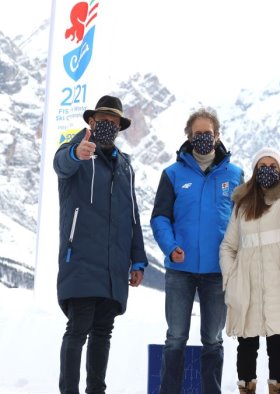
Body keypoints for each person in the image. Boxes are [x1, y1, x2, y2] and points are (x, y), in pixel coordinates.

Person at [53, 95, 148, 394]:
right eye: (102, 121)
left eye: (113, 122)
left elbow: (133, 215)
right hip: (80, 258)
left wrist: (138, 259)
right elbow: (61, 165)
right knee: (78, 328)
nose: (108, 126)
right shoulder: (75, 150)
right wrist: (75, 155)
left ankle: (97, 390)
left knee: (103, 333)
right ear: (91, 122)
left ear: (119, 127)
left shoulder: (125, 167)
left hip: (114, 264)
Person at [151, 108, 244, 394]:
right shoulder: (173, 174)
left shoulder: (235, 174)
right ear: (189, 138)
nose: (203, 138)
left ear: (217, 136)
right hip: (180, 270)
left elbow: (244, 220)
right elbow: (160, 217)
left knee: (213, 339)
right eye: (197, 134)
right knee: (175, 337)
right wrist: (170, 246)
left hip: (218, 272)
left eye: (208, 133)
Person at [219, 147, 280, 394]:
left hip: (278, 281)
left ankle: (278, 389)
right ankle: (246, 389)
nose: (267, 171)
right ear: (254, 170)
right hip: (247, 281)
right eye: (262, 166)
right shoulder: (242, 204)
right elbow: (228, 245)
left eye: (273, 167)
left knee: (278, 343)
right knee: (247, 343)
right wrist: (230, 278)